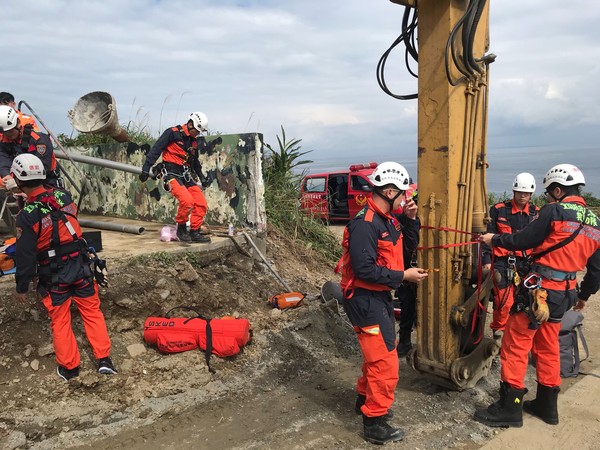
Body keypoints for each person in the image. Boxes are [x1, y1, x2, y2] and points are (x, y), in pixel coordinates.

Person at [476, 163, 600, 428]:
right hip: (566, 293)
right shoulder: (595, 221)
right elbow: (597, 268)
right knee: (548, 344)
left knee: (516, 343)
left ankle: (510, 407)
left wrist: (494, 240)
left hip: (540, 291)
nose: (546, 197)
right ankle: (547, 405)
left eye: (548, 193)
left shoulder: (554, 211)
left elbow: (523, 240)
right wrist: (585, 295)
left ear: (557, 190)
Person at [338, 162, 428, 444]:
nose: (405, 199)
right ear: (389, 191)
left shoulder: (387, 220)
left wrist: (411, 219)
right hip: (366, 299)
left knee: (376, 355)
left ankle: (364, 400)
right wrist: (404, 276)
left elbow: (407, 248)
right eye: (402, 194)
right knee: (385, 361)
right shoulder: (366, 225)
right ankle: (374, 422)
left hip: (378, 296)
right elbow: (364, 269)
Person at [11, 153, 116, 381]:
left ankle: (70, 369)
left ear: (17, 180)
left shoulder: (25, 216)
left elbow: (26, 257)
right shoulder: (63, 195)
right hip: (81, 267)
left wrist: (21, 287)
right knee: (92, 312)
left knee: (60, 319)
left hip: (53, 274)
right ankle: (104, 360)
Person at [482, 173, 539, 339]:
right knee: (503, 302)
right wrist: (486, 261)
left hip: (527, 264)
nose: (523, 196)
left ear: (531, 194)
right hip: (503, 262)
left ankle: (520, 336)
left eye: (526, 193)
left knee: (527, 301)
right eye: (520, 192)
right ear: (513, 191)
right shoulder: (498, 210)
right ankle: (499, 336)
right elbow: (488, 237)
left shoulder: (536, 214)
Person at [139, 112, 210, 243]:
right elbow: (156, 149)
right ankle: (181, 229)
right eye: (197, 131)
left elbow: (194, 162)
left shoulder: (193, 142)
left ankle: (194, 231)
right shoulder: (172, 133)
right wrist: (146, 167)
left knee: (201, 203)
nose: (198, 134)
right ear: (190, 124)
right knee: (187, 201)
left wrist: (202, 177)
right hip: (171, 174)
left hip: (185, 175)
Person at [0, 104, 60, 188]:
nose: (7, 134)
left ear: (18, 124)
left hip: (46, 183)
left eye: (10, 131)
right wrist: (7, 176)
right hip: (21, 184)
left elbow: (44, 166)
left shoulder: (39, 140)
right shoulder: (5, 142)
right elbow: (3, 160)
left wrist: (23, 184)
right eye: (4, 132)